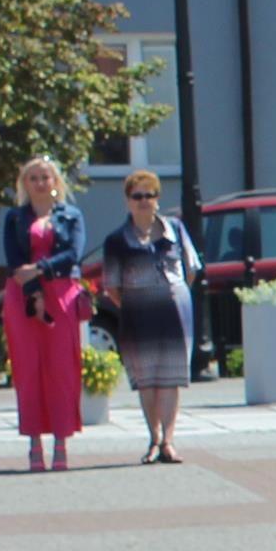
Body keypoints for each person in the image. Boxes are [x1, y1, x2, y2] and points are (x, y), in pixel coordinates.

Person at [98, 170, 200, 464]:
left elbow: (191, 270)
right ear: (128, 200)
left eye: (150, 195)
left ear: (158, 199)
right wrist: (140, 297)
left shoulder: (176, 230)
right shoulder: (117, 240)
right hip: (137, 313)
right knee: (147, 379)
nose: (144, 201)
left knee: (170, 377)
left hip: (175, 313)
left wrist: (173, 294)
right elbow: (113, 287)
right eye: (137, 196)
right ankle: (153, 438)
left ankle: (168, 440)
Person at [0, 158, 88, 474]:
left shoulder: (70, 215)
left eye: (45, 177)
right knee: (28, 370)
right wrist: (32, 288)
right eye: (33, 178)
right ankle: (34, 443)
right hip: (22, 294)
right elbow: (13, 259)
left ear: (55, 182)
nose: (39, 183)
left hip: (61, 295)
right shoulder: (14, 218)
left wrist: (41, 269)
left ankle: (61, 443)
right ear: (24, 184)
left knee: (61, 368)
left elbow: (72, 255)